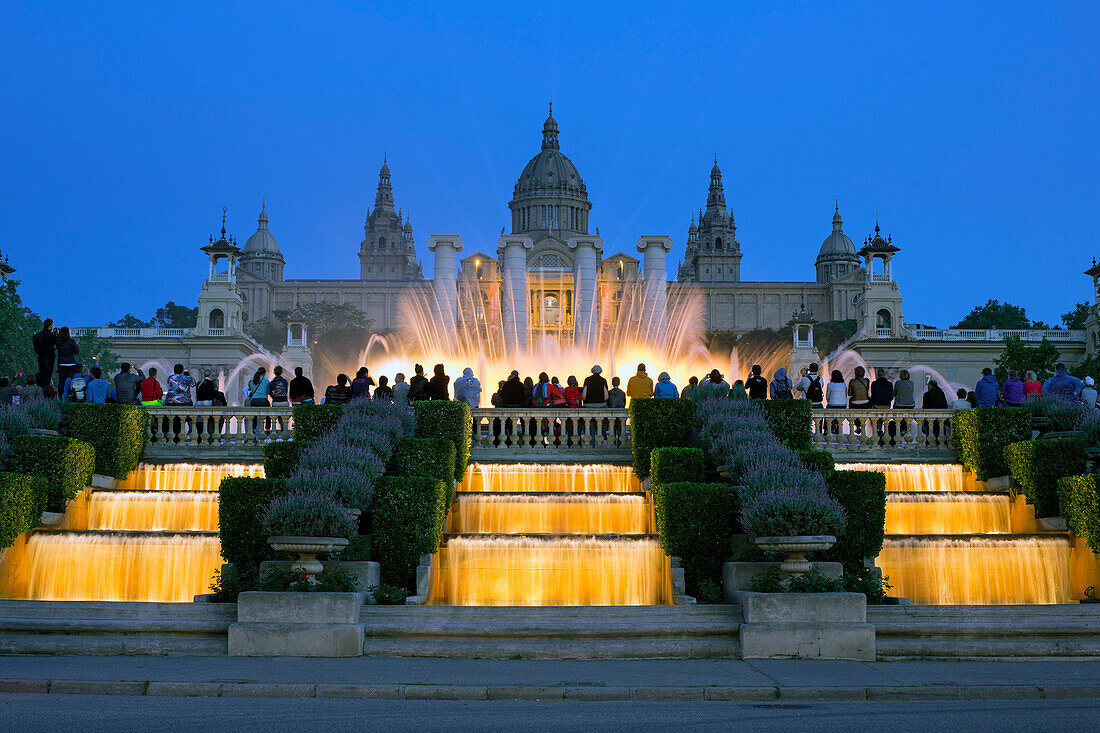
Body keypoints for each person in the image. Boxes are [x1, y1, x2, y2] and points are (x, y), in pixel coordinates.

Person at [32, 318, 56, 391]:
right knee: (47, 376)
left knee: (42, 374)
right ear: (50, 325)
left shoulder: (36, 336)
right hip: (49, 358)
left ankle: (41, 389)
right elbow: (57, 343)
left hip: (40, 357)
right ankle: (46, 391)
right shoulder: (50, 335)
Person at [56, 328, 80, 401]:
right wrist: (76, 344)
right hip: (71, 364)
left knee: (61, 381)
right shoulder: (71, 342)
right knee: (71, 381)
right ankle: (70, 396)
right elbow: (77, 351)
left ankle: (60, 397)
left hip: (61, 364)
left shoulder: (59, 342)